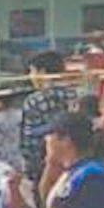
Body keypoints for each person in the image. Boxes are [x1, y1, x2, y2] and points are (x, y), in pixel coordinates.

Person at [20, 50, 81, 199]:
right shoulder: (77, 95)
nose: (31, 76)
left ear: (42, 72)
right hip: (76, 163)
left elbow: (29, 141)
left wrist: (30, 171)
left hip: (45, 168)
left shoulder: (34, 100)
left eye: (32, 71)